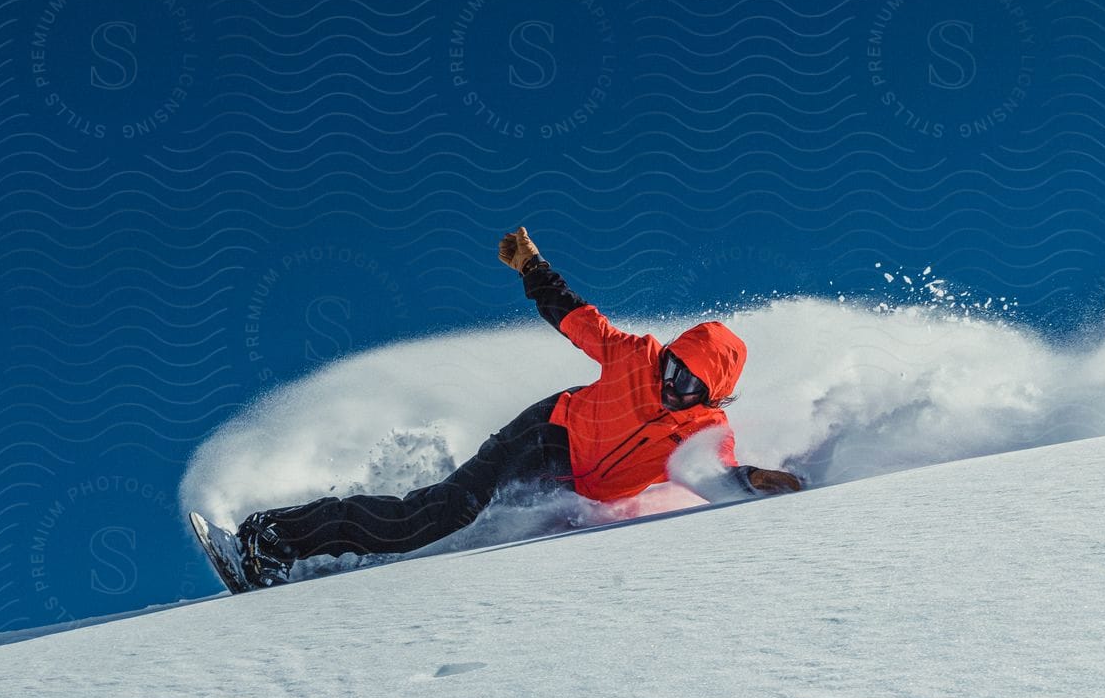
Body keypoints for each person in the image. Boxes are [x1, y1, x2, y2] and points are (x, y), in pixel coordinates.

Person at [234, 227, 804, 588]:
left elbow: (718, 476)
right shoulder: (639, 357)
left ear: (712, 394)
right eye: (675, 367)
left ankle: (322, 567)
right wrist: (532, 265)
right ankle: (274, 535)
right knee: (441, 513)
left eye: (688, 383)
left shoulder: (706, 430)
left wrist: (760, 480)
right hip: (545, 437)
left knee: (496, 557)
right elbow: (578, 318)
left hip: (573, 488)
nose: (672, 383)